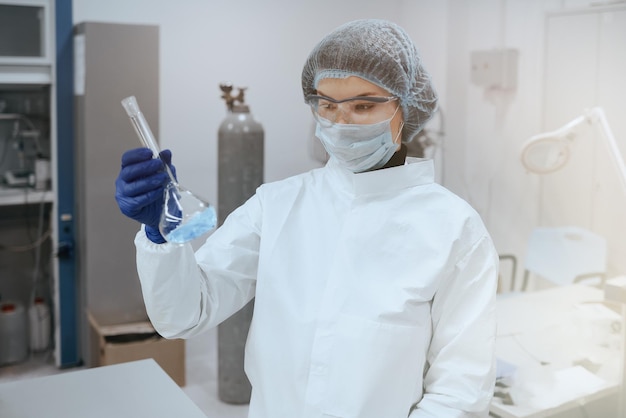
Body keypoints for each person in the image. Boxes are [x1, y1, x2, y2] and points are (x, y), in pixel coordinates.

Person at [115, 19, 498, 418]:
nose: (341, 122)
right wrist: (159, 234)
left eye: (364, 105)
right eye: (327, 105)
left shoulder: (454, 229)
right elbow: (185, 313)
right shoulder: (277, 205)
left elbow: (459, 392)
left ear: (407, 106)